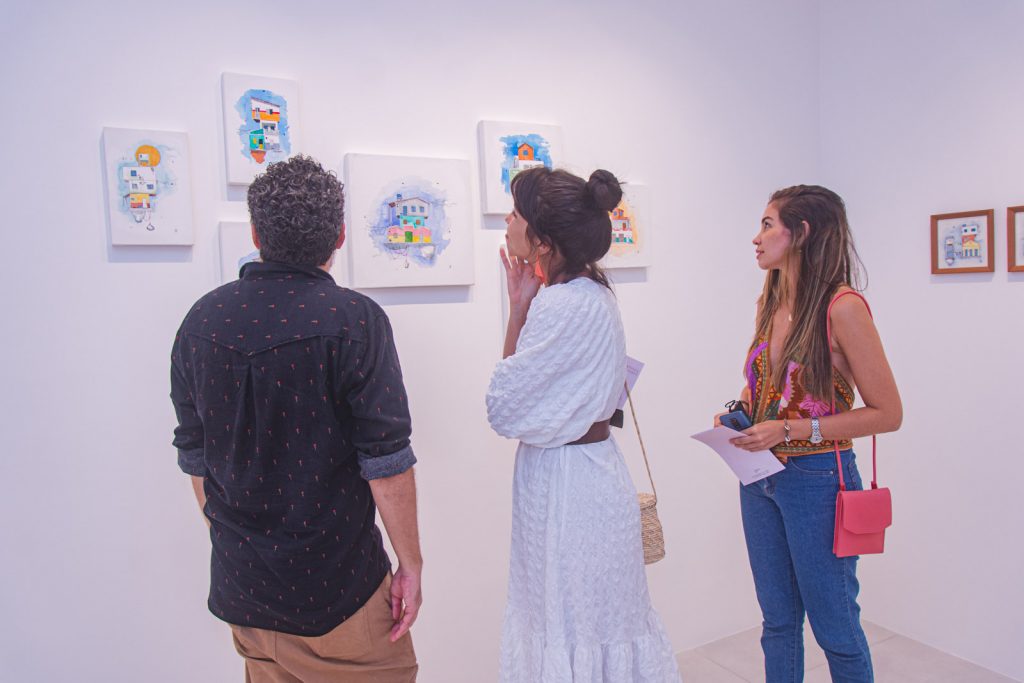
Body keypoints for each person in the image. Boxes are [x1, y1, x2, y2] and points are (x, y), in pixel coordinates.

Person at [170, 155, 422, 682]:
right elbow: (387, 461)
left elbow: (195, 458)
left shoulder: (200, 321)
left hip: (246, 594)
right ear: (341, 235)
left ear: (256, 234)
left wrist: (236, 541)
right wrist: (411, 564)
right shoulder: (355, 321)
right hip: (340, 593)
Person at [486, 166, 681, 682]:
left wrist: (522, 310)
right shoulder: (592, 294)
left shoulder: (564, 305)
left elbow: (503, 407)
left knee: (569, 626)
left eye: (516, 213)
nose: (507, 221)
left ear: (543, 242)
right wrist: (520, 306)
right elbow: (517, 396)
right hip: (583, 474)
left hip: (568, 488)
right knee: (587, 625)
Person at [720, 185, 902, 682]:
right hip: (759, 477)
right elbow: (766, 380)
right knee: (778, 623)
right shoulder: (772, 296)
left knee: (836, 630)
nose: (755, 238)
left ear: (800, 233)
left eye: (767, 224)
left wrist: (792, 427)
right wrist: (737, 411)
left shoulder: (843, 307)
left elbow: (888, 413)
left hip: (819, 478)